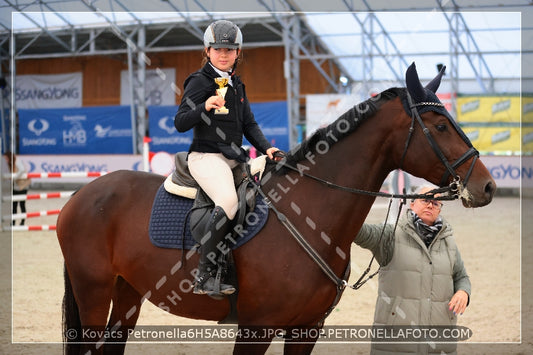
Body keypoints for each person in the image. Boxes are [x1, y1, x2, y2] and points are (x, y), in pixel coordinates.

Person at [174, 19, 282, 296]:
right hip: (205, 157)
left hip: (234, 157)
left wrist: (267, 148)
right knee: (229, 202)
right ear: (208, 51)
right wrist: (203, 106)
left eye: (230, 49)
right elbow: (180, 122)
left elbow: (249, 125)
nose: (224, 54)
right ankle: (205, 275)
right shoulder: (199, 81)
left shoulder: (236, 84)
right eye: (218, 49)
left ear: (237, 53)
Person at [354, 185, 470, 354]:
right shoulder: (390, 234)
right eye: (426, 200)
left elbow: (462, 276)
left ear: (440, 209)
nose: (431, 205)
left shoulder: (449, 242)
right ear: (412, 204)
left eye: (436, 203)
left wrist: (463, 292)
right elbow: (359, 232)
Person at [4, 152, 31, 226]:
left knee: (22, 204)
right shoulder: (8, 165)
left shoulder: (17, 161)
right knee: (14, 205)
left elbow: (22, 170)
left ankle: (22, 222)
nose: (5, 160)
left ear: (10, 157)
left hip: (23, 186)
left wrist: (14, 177)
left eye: (6, 158)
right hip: (15, 187)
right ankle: (13, 222)